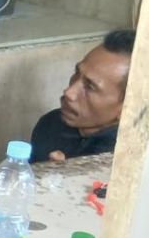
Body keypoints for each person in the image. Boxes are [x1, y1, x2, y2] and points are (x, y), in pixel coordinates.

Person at [31, 29, 134, 163]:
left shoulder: (126, 160)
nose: (69, 92)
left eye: (90, 87)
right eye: (77, 73)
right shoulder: (51, 126)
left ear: (126, 108)